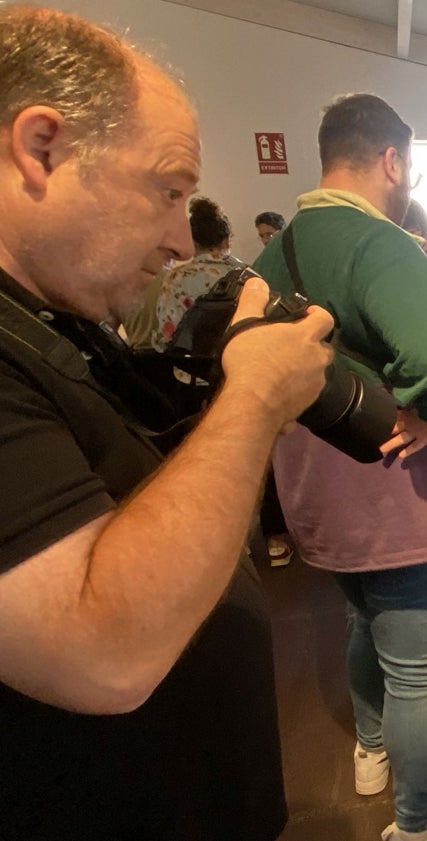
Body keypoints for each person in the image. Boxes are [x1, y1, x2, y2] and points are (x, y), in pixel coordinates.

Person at [0, 7, 335, 839]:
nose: (180, 239)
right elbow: (103, 651)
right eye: (168, 190)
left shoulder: (54, 323)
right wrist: (252, 398)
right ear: (40, 148)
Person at [252, 93, 427, 841]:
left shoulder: (280, 249)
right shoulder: (384, 242)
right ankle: (422, 824)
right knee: (420, 669)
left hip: (319, 497)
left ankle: (370, 748)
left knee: (364, 622)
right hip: (400, 503)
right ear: (392, 161)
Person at [152, 195, 244, 351]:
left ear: (192, 241)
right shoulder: (248, 276)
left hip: (191, 369)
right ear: (227, 240)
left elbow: (166, 337)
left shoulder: (178, 277)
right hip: (240, 366)